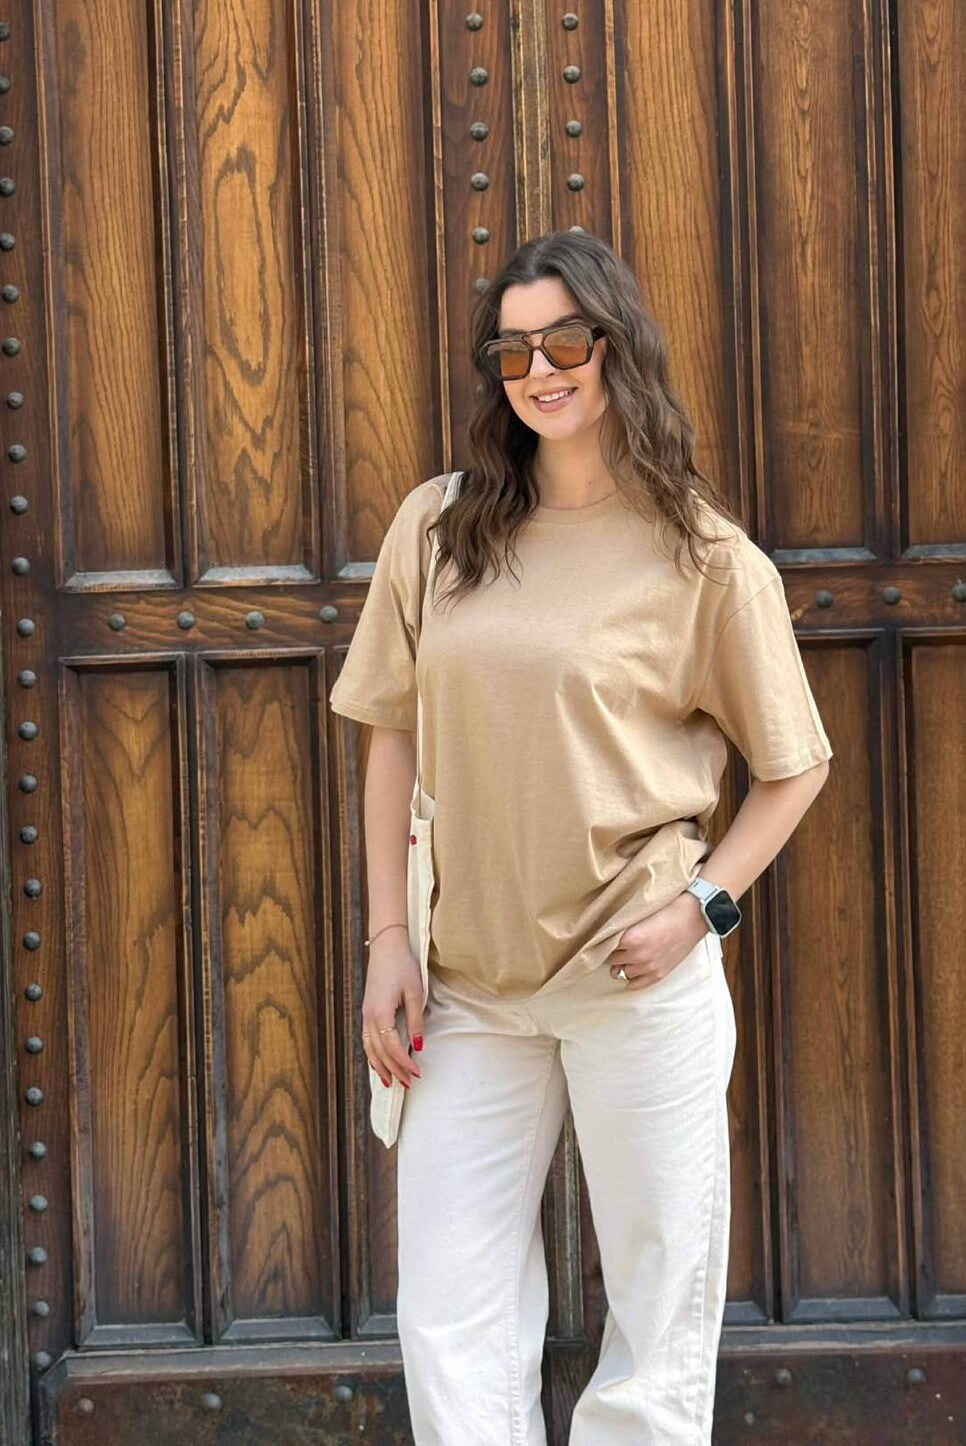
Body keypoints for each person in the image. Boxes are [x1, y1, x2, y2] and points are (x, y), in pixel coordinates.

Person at [328, 229, 832, 1444]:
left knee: (658, 1314)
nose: (540, 371)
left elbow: (795, 766)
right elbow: (390, 736)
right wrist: (388, 941)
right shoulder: (439, 528)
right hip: (467, 985)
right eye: (512, 351)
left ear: (616, 346)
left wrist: (701, 910)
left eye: (564, 341)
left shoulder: (702, 555)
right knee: (447, 1307)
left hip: (635, 980)